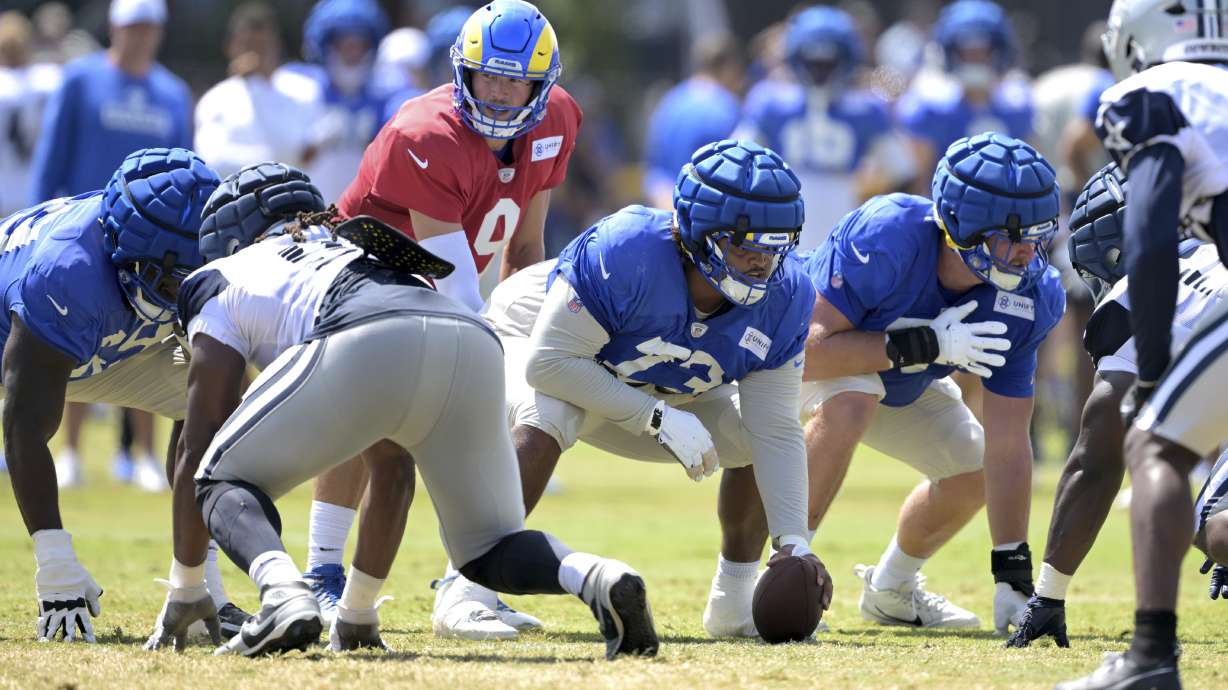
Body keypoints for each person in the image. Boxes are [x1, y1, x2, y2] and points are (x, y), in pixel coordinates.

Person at [155, 162, 657, 659]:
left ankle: (283, 593)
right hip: (470, 336)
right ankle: (597, 575)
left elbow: (200, 442)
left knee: (216, 477)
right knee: (487, 548)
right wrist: (356, 614)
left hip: (366, 332)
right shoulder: (356, 248)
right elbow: (392, 469)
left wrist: (186, 586)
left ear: (227, 238)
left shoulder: (223, 274)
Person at [445, 139, 834, 638]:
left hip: (649, 380)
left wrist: (794, 545)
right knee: (552, 412)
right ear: (698, 232)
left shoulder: (788, 294)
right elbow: (551, 364)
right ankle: (464, 589)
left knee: (750, 435)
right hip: (536, 344)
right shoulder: (629, 250)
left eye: (775, 247)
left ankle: (733, 604)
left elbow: (776, 428)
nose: (762, 264)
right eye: (745, 246)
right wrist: (656, 417)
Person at [709, 133, 1064, 637]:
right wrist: (924, 345)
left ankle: (892, 589)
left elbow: (1010, 441)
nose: (1027, 253)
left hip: (901, 379)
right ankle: (778, 577)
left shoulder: (1032, 295)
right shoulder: (888, 235)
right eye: (1012, 237)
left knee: (975, 466)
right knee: (855, 399)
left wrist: (1013, 572)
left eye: (1037, 236)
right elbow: (803, 351)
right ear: (961, 225)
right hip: (799, 362)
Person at [309, 0, 582, 639]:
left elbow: (524, 244)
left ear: (541, 85)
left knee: (511, 409)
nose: (499, 92)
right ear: (463, 70)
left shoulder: (559, 118)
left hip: (441, 277)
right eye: (487, 76)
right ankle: (320, 574)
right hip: (366, 274)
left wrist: (523, 341)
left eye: (516, 80)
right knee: (375, 421)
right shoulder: (426, 133)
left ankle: (470, 583)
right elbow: (453, 281)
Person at [1059, 1, 1228, 687]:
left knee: (1156, 444)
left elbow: (1152, 228)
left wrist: (1153, 363)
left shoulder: (1153, 94)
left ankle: (1150, 658)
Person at [0, 147, 223, 643]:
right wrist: (55, 562)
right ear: (123, 247)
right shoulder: (66, 271)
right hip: (28, 340)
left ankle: (200, 583)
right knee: (31, 416)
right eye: (166, 278)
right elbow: (22, 426)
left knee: (220, 403)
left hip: (110, 341)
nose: (177, 291)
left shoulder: (200, 247)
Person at [1007, 164, 1228, 650]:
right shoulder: (1213, 253)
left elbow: (1097, 458)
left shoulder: (1138, 291)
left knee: (1214, 527)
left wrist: (1048, 596)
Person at [29, 0, 194, 491]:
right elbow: (51, 155)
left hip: (154, 245)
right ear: (115, 27)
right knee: (72, 340)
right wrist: (39, 222)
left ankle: (144, 454)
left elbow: (187, 166)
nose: (139, 36)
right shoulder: (80, 80)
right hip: (83, 236)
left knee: (149, 344)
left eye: (148, 27)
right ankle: (71, 454)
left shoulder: (172, 92)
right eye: (131, 26)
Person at [736, 5, 911, 250]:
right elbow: (902, 171)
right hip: (822, 222)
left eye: (827, 64)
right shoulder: (867, 110)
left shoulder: (768, 101)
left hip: (797, 221)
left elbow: (735, 166)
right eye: (814, 64)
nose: (820, 73)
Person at [896, 0, 1033, 193]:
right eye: (966, 52)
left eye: (983, 52)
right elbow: (918, 183)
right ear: (950, 52)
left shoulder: (1017, 107)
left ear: (999, 51)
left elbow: (1029, 175)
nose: (975, 60)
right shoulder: (931, 108)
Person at [194, 2, 322, 179]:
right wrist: (272, 163)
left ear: (277, 46)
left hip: (294, 202)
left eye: (263, 46)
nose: (256, 55)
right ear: (230, 47)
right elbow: (212, 161)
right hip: (237, 203)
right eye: (248, 45)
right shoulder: (215, 100)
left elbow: (311, 154)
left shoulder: (304, 92)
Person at [293, 0, 391, 204]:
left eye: (360, 45)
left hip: (362, 217)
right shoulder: (299, 86)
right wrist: (311, 142)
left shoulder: (386, 93)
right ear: (324, 45)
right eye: (343, 44)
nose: (352, 54)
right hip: (307, 214)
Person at [641, 32, 743, 210]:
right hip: (703, 216)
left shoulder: (669, 101)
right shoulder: (727, 108)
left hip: (665, 208)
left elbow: (653, 168)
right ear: (729, 67)